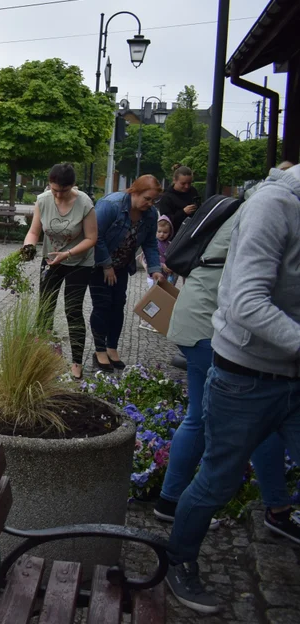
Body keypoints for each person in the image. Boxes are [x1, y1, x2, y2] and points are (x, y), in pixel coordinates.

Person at [164, 163, 300, 614]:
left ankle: (278, 511)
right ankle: (177, 553)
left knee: (239, 438)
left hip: (282, 370)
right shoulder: (271, 206)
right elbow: (245, 299)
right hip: (235, 359)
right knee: (213, 458)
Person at [156, 207, 294, 538]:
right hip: (210, 327)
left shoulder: (247, 208)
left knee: (208, 419)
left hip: (197, 318)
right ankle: (275, 510)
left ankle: (171, 501)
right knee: (245, 421)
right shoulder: (267, 213)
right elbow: (250, 300)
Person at [22, 163, 97, 379]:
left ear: (72, 186)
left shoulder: (84, 203)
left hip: (79, 262)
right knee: (45, 309)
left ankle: (76, 363)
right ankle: (41, 357)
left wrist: (68, 253)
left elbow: (92, 238)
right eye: (54, 189)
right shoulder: (43, 200)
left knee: (73, 310)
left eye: (62, 191)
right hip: (51, 260)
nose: (57, 195)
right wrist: (28, 246)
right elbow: (34, 231)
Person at [89, 175, 166, 372]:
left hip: (122, 266)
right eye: (147, 199)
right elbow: (95, 236)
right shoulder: (110, 205)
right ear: (134, 191)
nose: (150, 204)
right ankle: (99, 350)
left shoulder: (150, 215)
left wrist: (155, 269)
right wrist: (107, 265)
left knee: (118, 305)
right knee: (102, 304)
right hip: (99, 264)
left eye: (153, 200)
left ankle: (111, 347)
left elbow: (150, 244)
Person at [157, 165, 201, 237]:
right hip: (175, 236)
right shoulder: (166, 197)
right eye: (183, 183)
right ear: (174, 180)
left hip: (192, 232)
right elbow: (166, 221)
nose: (186, 186)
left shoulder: (192, 191)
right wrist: (183, 212)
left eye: (189, 183)